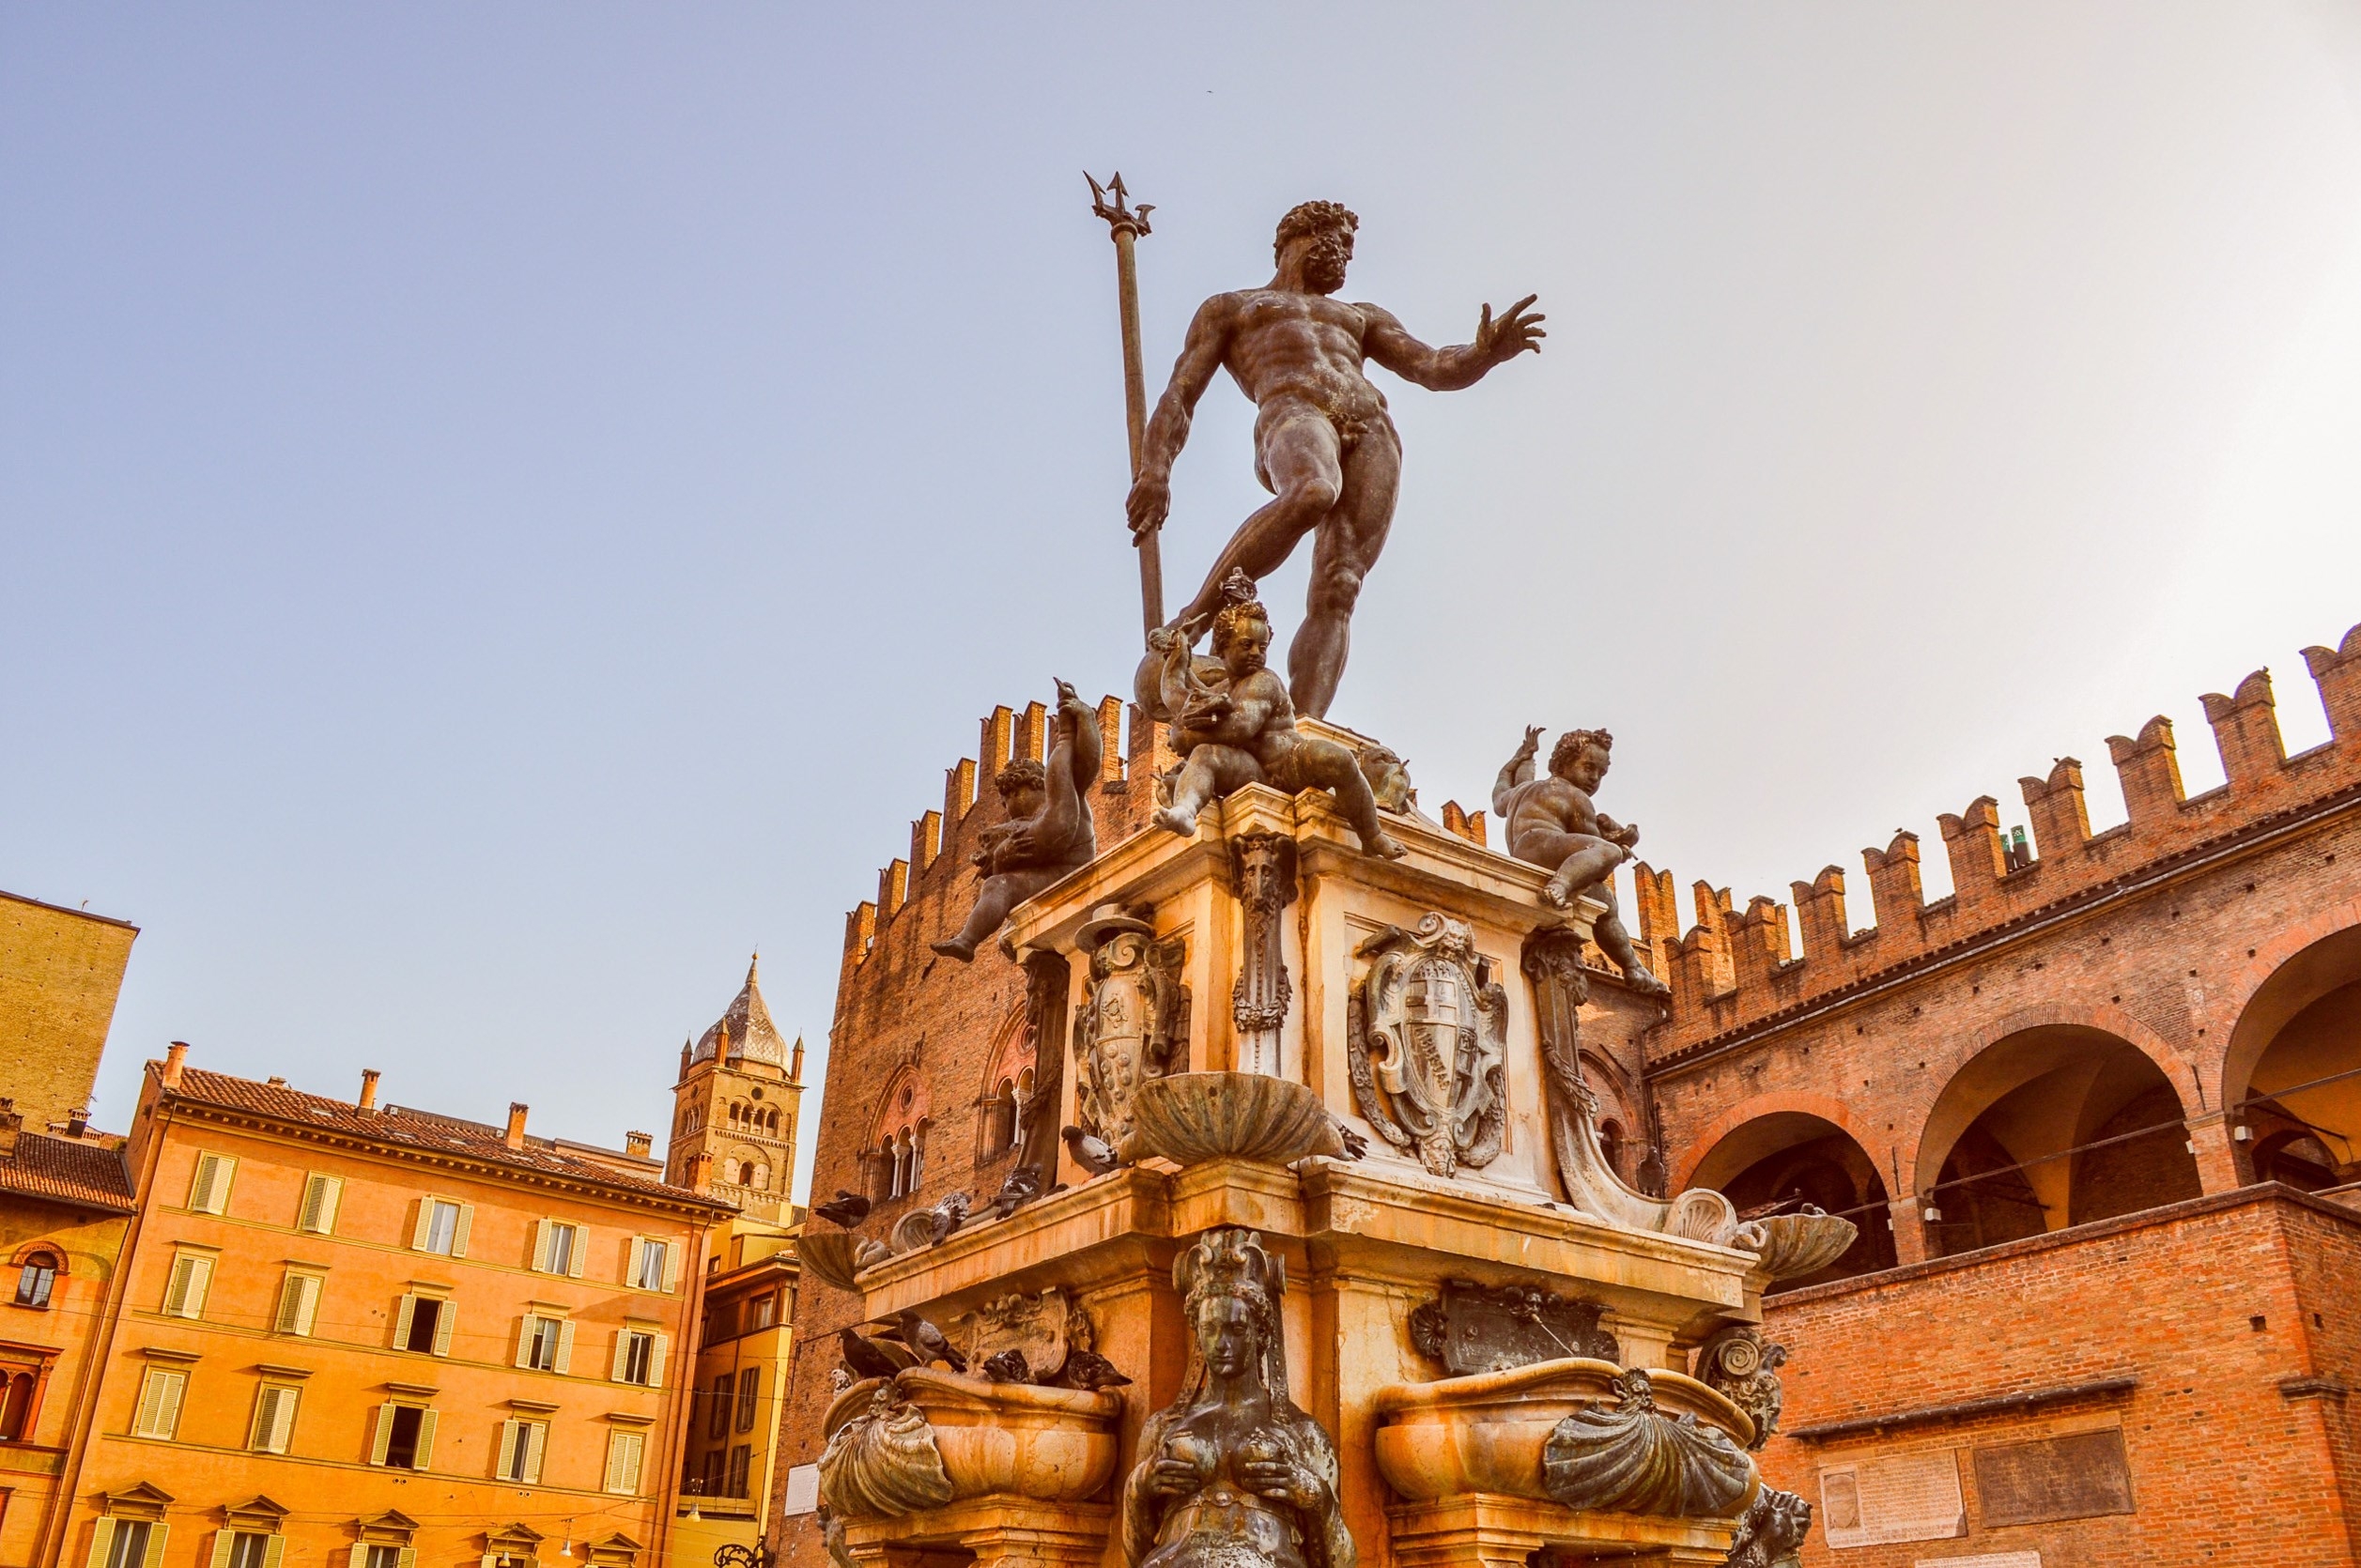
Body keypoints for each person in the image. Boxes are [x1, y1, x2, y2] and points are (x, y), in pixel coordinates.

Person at [1127, 201, 1543, 719]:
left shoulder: (1361, 317)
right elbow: (1180, 394)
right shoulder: (1233, 308)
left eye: (1350, 246)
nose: (1346, 253)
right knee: (1312, 490)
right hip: (1293, 411)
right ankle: (1194, 619)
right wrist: (1156, 470)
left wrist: (1485, 354)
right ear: (1300, 235)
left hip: (1371, 426)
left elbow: (1432, 366)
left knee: (1341, 582)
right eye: (1339, 239)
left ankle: (1300, 729)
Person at [1119, 1229, 1354, 1568]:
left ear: (1261, 1333)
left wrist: (1315, 1497)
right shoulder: (1163, 1427)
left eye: (1236, 1329)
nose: (1222, 1344)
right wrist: (1139, 1488)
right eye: (1210, 1329)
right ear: (1197, 1333)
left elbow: (1341, 1563)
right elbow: (1135, 1554)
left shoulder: (1302, 1431)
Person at [1150, 572, 1403, 861]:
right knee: (1206, 755)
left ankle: (1372, 835)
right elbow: (1178, 698)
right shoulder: (1220, 689)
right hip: (1255, 771)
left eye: (1263, 646)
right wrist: (1176, 660)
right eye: (1246, 645)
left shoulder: (1264, 680)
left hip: (1291, 762)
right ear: (1222, 647)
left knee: (1338, 759)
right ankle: (1185, 810)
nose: (1257, 653)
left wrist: (1186, 734)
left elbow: (1242, 727)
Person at [931, 680, 1100, 962]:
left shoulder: (1066, 792)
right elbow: (1004, 869)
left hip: (1075, 871)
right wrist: (1001, 856)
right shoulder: (1026, 823)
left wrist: (1085, 717)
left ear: (1028, 787)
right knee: (999, 885)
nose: (1006, 807)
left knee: (1063, 754)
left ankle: (1065, 733)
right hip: (1053, 875)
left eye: (1008, 797)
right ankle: (966, 940)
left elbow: (1089, 762)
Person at [1494, 727, 1669, 996]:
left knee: (1605, 903)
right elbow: (1595, 851)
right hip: (1546, 848)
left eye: (1601, 773)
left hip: (1526, 852)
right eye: (1588, 767)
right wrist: (1621, 845)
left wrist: (1521, 757)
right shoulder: (1577, 797)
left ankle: (1633, 967)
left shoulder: (1524, 789)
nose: (1594, 778)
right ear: (1564, 763)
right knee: (1608, 852)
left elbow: (1500, 794)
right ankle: (1561, 885)